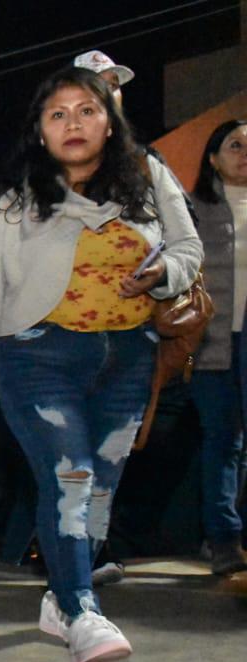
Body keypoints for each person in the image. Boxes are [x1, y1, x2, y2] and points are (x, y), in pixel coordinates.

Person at [0, 67, 202, 662]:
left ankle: (61, 597)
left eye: (87, 111)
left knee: (101, 491)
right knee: (71, 477)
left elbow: (188, 249)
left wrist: (163, 274)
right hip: (38, 356)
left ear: (109, 122)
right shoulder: (13, 203)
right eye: (58, 114)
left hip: (128, 356)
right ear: (40, 131)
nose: (73, 124)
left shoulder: (148, 178)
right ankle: (83, 611)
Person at [189, 120, 247, 575]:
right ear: (213, 157)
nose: (245, 154)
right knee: (223, 438)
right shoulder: (194, 210)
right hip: (212, 341)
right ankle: (223, 537)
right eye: (235, 145)